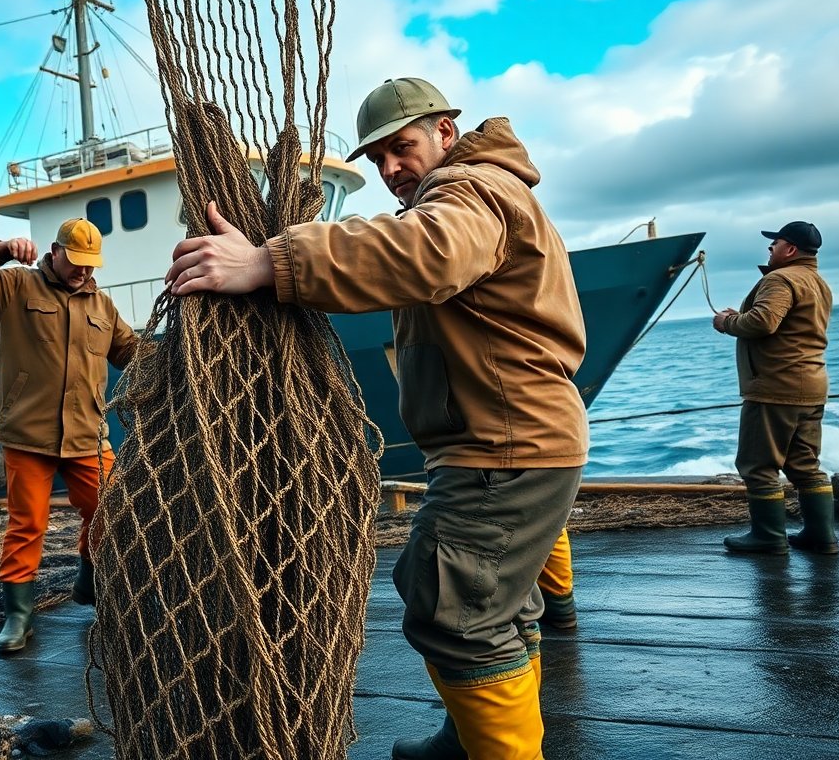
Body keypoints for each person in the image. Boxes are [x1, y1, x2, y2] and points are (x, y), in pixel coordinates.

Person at [166, 77, 587, 759]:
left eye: (403, 147)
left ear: (445, 134)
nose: (391, 169)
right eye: (379, 158)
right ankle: (466, 740)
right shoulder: (486, 190)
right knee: (490, 601)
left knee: (454, 607)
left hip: (504, 446)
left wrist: (267, 261)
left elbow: (429, 252)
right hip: (513, 439)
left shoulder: (469, 192)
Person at [0, 217, 138, 655]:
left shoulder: (102, 306)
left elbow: (131, 350)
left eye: (91, 265)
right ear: (54, 252)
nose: (84, 272)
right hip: (28, 434)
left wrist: (183, 347)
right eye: (76, 262)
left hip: (88, 433)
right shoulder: (15, 288)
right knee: (27, 524)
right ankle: (18, 616)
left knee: (110, 510)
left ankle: (89, 582)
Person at [713, 221, 835, 555]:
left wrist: (727, 323)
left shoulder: (781, 279)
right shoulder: (817, 282)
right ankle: (821, 536)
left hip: (776, 388)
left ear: (791, 249)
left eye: (775, 244)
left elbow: (763, 322)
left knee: (758, 465)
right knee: (805, 465)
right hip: (811, 385)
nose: (770, 249)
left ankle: (768, 537)